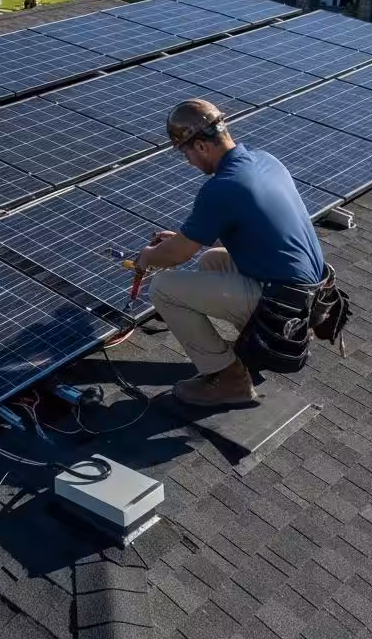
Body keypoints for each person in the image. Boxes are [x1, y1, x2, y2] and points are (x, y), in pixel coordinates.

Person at [133, 99, 326, 408]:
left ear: (201, 146)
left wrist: (146, 256)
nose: (189, 162)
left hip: (280, 306)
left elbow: (177, 255)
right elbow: (250, 225)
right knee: (212, 259)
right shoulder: (263, 160)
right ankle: (252, 347)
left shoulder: (222, 186)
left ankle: (229, 380)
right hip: (305, 296)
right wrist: (186, 238)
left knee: (164, 287)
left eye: (187, 153)